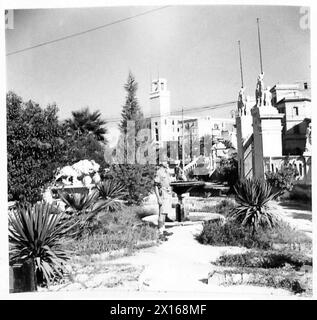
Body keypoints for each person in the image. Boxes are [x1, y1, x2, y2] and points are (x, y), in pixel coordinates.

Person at [154, 161, 172, 232]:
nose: (168, 162)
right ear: (162, 163)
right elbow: (155, 186)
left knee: (165, 212)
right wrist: (158, 198)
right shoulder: (159, 172)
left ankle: (163, 229)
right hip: (162, 195)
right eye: (166, 161)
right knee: (161, 213)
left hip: (167, 194)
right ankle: (160, 230)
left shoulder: (166, 172)